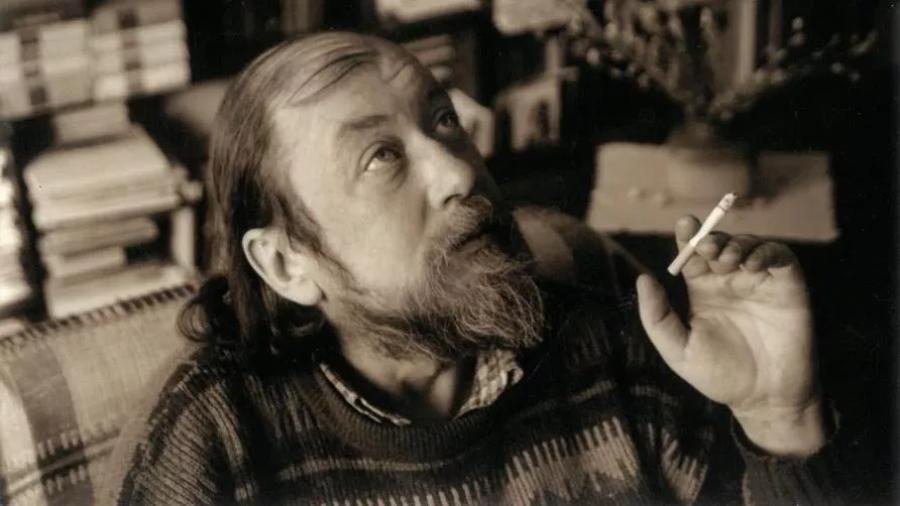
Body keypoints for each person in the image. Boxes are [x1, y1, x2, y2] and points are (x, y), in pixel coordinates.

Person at [104, 31, 855, 505]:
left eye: (443, 121)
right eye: (381, 156)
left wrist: (780, 418)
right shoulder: (209, 443)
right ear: (285, 263)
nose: (459, 170)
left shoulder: (615, 340)